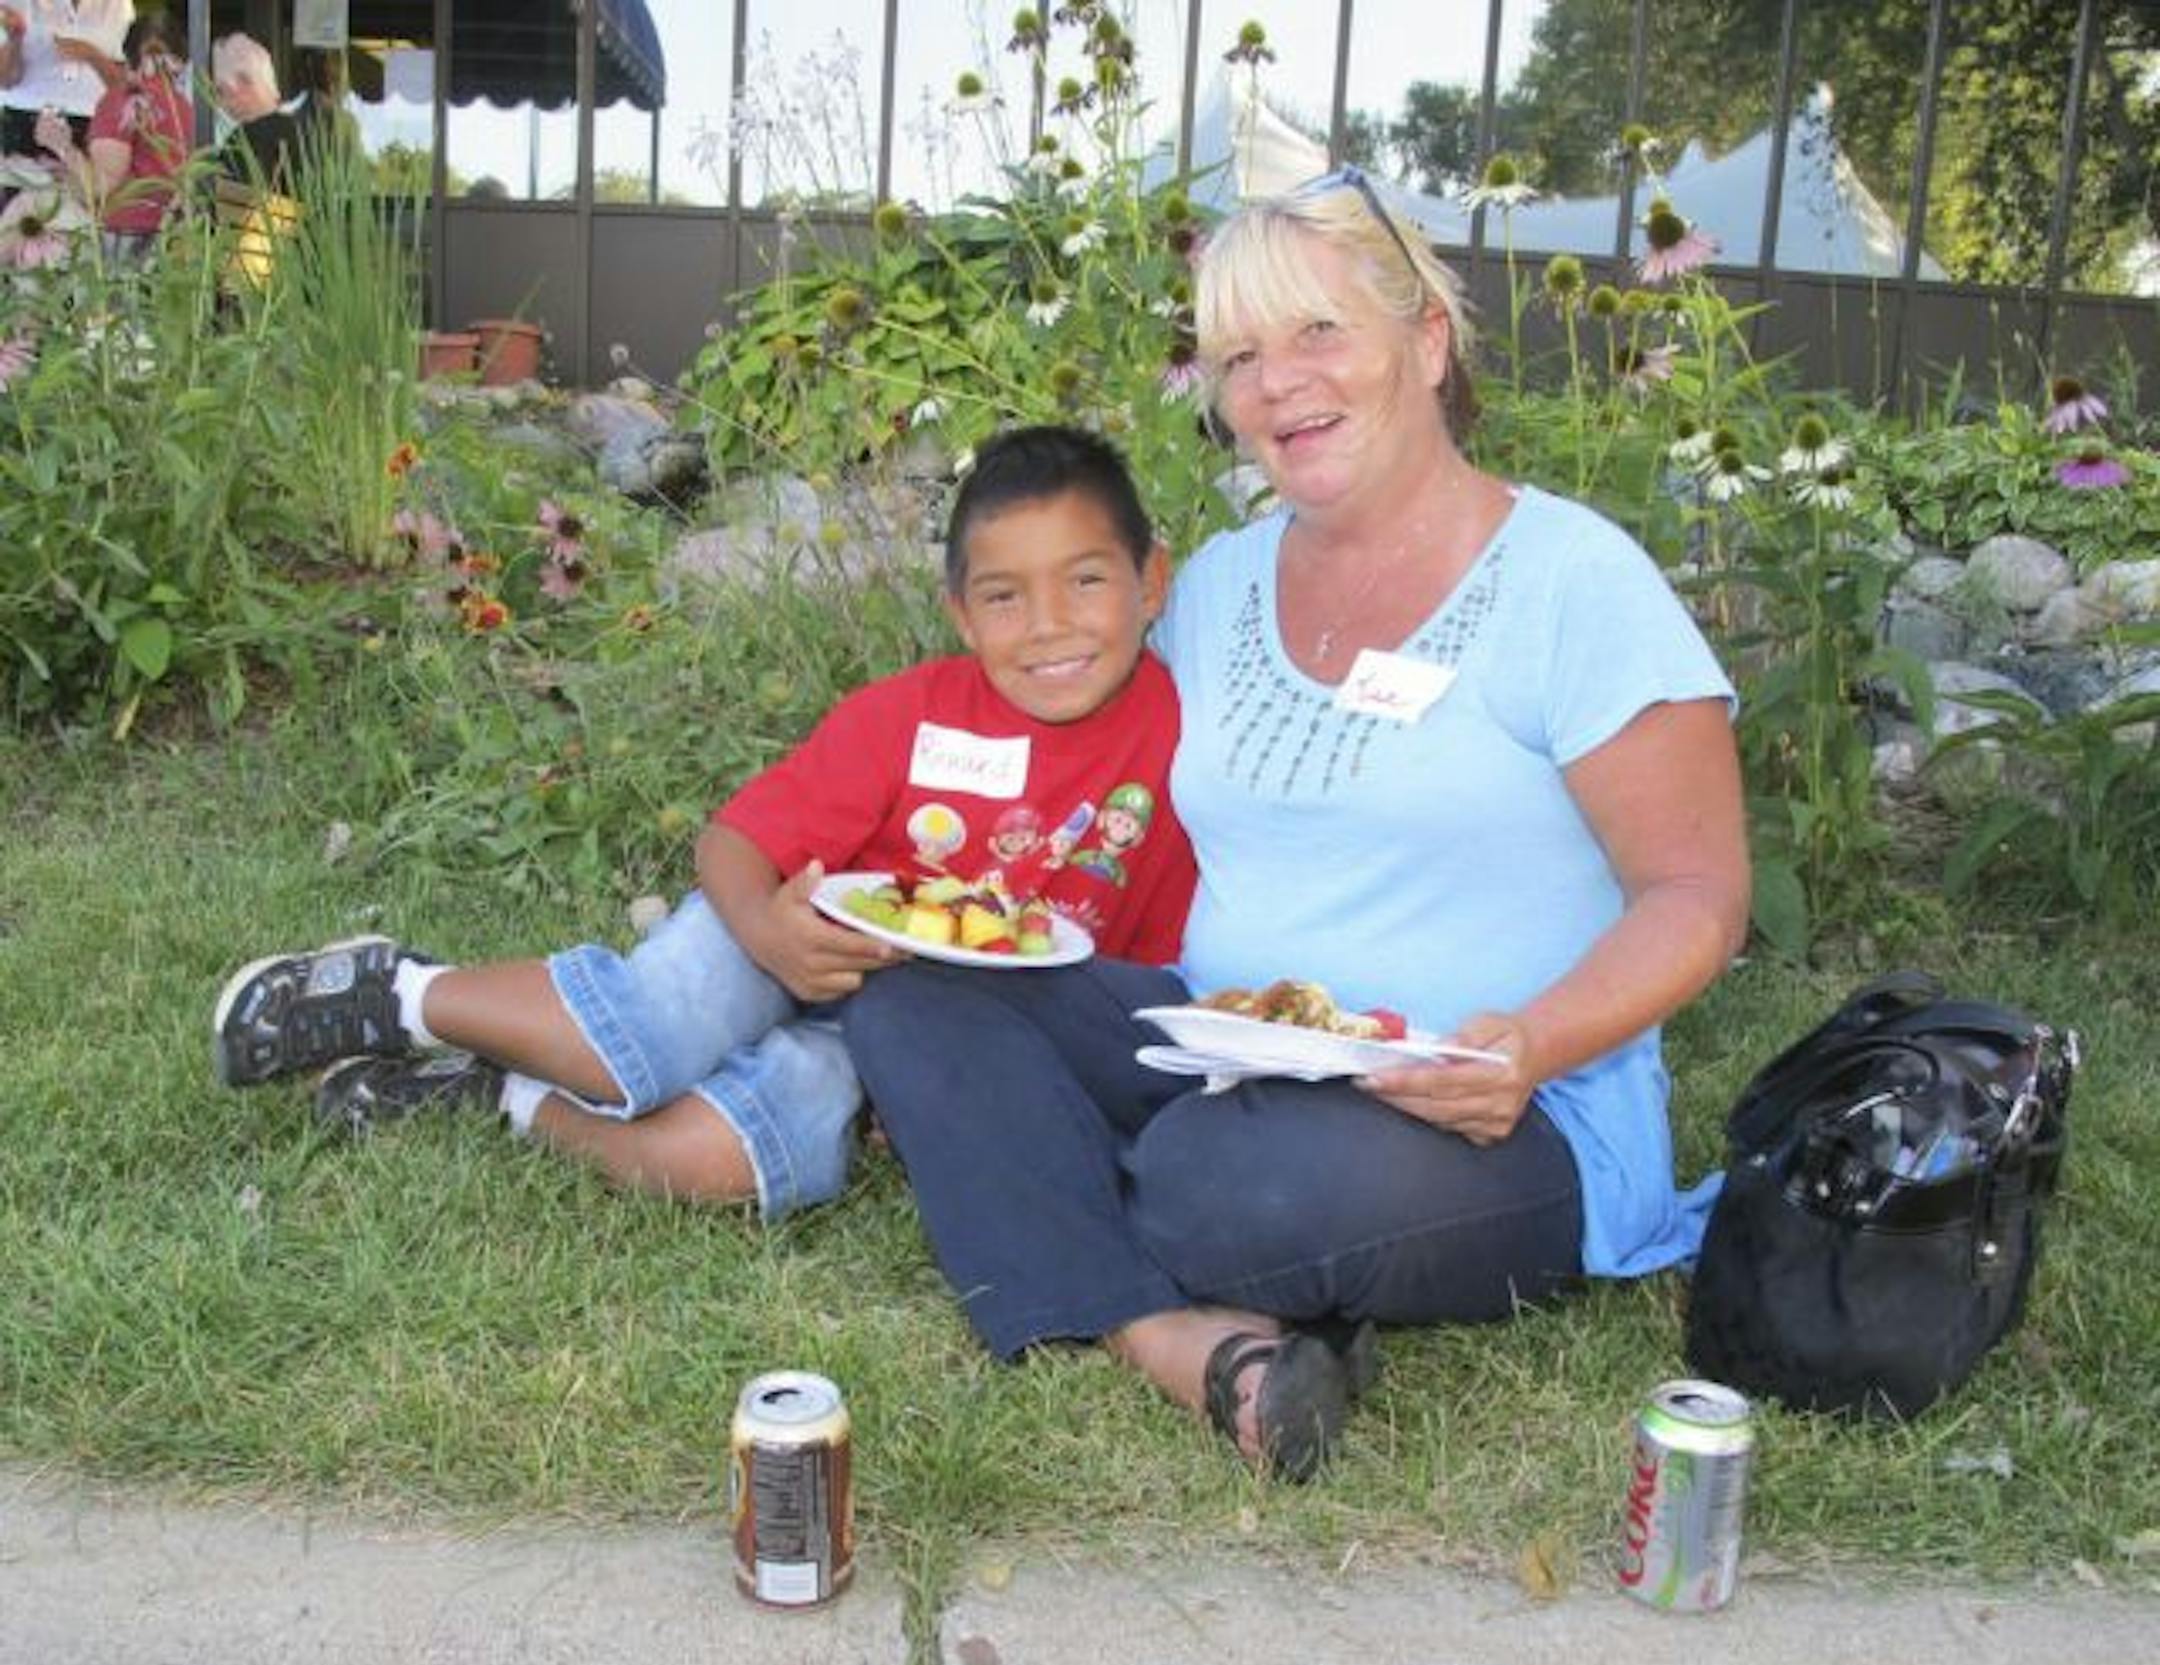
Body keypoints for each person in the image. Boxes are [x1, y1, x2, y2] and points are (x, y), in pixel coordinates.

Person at [838, 168, 1751, 1479]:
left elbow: (1697, 893)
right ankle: (1171, 1334)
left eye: (1319, 331)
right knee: (921, 992)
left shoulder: (1576, 581)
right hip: (1222, 1042)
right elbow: (1079, 768)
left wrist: (1532, 1043)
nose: (1279, 384)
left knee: (1219, 1182)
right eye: (1239, 356)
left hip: (1496, 1106)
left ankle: (1052, 1195)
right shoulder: (1215, 584)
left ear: (1424, 342)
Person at [209, 425, 1198, 1222]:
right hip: (790, 937)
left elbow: (1130, 990)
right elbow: (734, 842)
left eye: (1086, 580)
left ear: (1151, 581)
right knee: (643, 1037)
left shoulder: (1189, 743)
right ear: (961, 615)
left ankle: (505, 1095)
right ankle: (400, 993)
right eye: (1004, 596)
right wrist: (769, 932)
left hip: (913, 1034)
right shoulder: (915, 715)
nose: (1050, 624)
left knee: (755, 1155)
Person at [33, 9, 185, 261]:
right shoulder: (189, 106)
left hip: (125, 240)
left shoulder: (122, 101)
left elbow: (102, 188)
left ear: (126, 57)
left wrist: (61, 146)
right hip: (177, 240)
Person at [0, 0, 129, 159]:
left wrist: (93, 56)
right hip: (25, 119)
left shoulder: (118, 5)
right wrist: (15, 40)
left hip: (94, 122)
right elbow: (5, 81)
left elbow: (122, 87)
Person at [209, 31, 298, 191]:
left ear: (240, 85)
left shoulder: (240, 142)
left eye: (220, 91)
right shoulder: (308, 131)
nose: (220, 103)